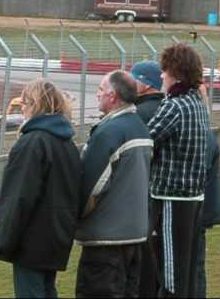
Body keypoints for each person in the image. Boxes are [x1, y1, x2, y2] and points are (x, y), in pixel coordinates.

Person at [0, 79, 82, 298]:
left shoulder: (33, 142)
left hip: (32, 240)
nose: (22, 108)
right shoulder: (67, 143)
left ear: (35, 104)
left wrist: (1, 241)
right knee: (47, 290)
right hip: (56, 236)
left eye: (25, 103)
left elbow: (18, 197)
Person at [75, 70, 153, 298]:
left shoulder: (109, 132)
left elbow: (91, 188)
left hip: (106, 240)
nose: (97, 95)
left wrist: (73, 218)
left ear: (113, 96)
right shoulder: (140, 126)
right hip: (136, 234)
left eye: (100, 90)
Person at [147, 43, 210, 298]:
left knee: (170, 276)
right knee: (185, 272)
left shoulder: (174, 105)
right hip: (193, 197)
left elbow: (146, 140)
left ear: (176, 72)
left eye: (164, 70)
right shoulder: (196, 101)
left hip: (172, 198)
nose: (161, 75)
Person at [130, 60, 164, 298]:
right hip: (161, 195)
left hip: (143, 196)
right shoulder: (167, 108)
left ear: (145, 84)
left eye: (135, 78)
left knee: (143, 263)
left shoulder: (140, 114)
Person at [195, 85, 220, 298]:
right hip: (203, 211)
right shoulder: (205, 131)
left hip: (195, 213)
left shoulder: (200, 134)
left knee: (192, 272)